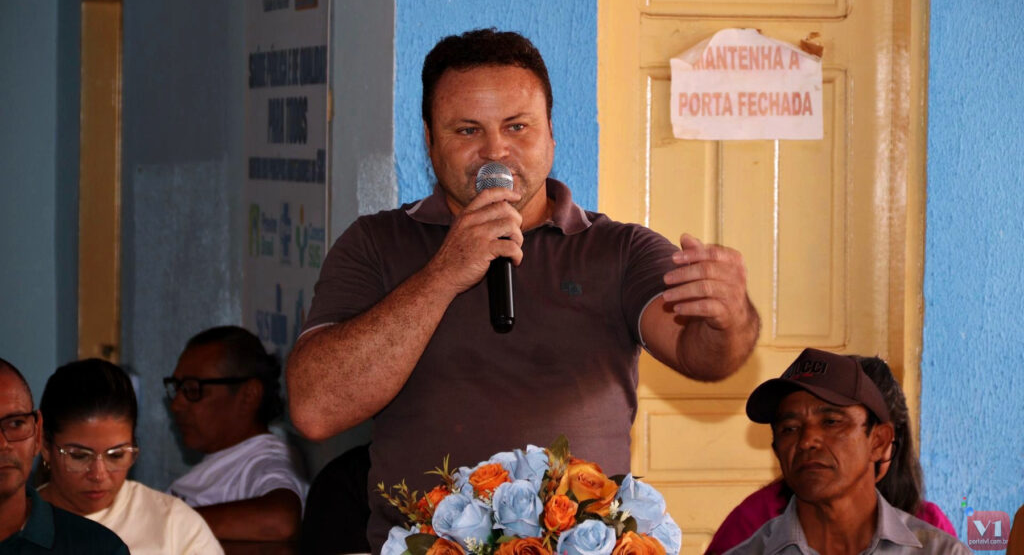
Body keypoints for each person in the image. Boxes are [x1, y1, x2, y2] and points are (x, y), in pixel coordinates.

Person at [286, 28, 761, 550]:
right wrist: (444, 273)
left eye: (517, 126)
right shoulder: (376, 244)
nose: (495, 151)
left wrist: (730, 317)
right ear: (429, 141)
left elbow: (704, 356)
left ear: (551, 133)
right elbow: (315, 409)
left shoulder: (619, 250)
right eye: (467, 130)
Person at [725, 348, 970, 554]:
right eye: (789, 428)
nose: (807, 441)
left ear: (879, 442)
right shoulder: (751, 530)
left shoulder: (940, 551)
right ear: (777, 450)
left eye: (831, 422)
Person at [37, 359, 223, 555]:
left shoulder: (173, 524)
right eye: (80, 456)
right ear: (45, 446)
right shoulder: (20, 525)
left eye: (116, 455)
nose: (99, 475)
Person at [166, 326, 307, 542]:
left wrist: (165, 521)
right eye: (177, 388)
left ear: (249, 395)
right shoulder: (225, 458)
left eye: (193, 389)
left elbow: (281, 520)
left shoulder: (264, 462)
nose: (176, 405)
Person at [0, 358, 128, 553]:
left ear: (38, 433)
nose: (3, 444)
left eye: (16, 424)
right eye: (79, 455)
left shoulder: (99, 549)